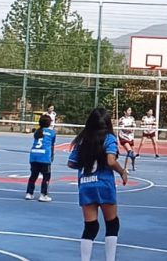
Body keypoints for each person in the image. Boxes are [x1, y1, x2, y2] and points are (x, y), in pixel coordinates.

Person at [68, 108, 129, 261]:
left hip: (86, 184)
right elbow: (110, 161)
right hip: (103, 183)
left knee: (91, 226)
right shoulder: (109, 138)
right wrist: (122, 171)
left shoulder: (82, 139)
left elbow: (71, 163)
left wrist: (87, 159)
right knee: (112, 223)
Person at [26, 114, 56, 202]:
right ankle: (43, 194)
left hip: (34, 155)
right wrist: (52, 155)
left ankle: (29, 193)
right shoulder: (52, 132)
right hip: (44, 156)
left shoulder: (37, 132)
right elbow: (52, 145)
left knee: (33, 176)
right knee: (46, 176)